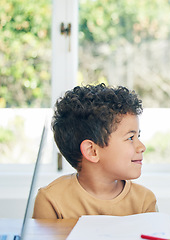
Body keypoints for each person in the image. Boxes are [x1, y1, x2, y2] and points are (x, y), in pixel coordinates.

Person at [32, 84, 157, 219]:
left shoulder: (144, 201)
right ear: (92, 151)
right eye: (131, 138)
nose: (142, 147)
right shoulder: (50, 200)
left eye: (138, 136)